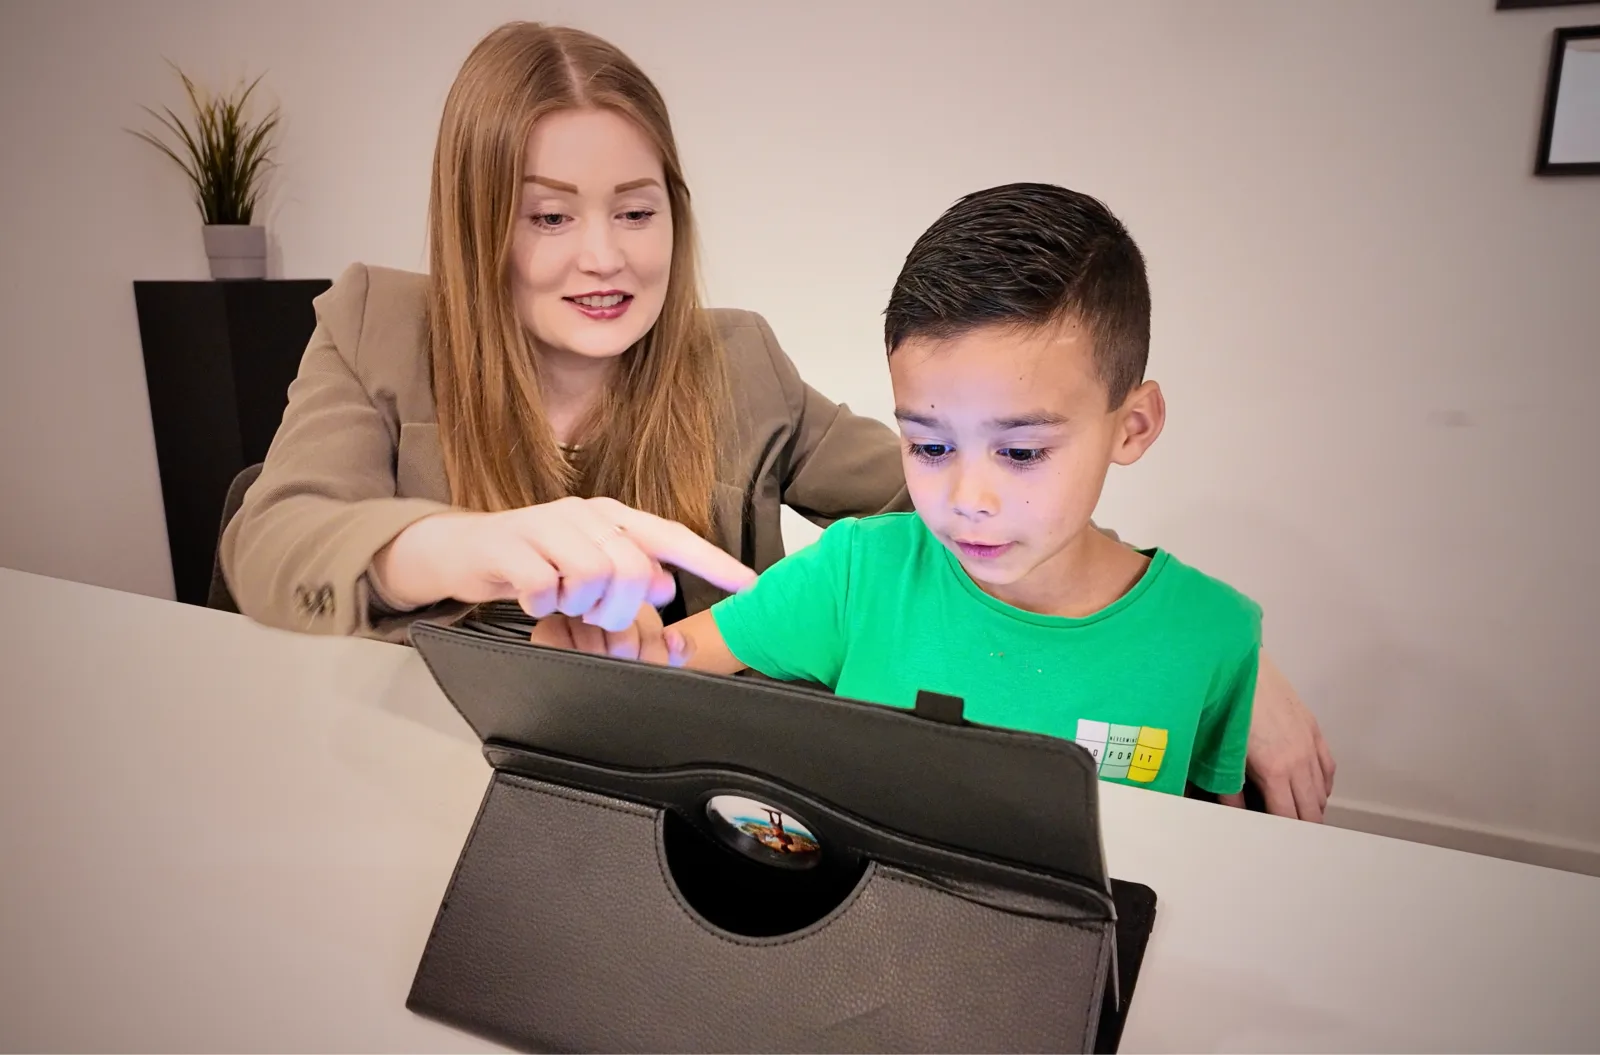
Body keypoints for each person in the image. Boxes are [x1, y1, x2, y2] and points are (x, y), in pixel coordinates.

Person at [219, 21, 1334, 818]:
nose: (603, 255)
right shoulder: (376, 319)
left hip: (660, 791)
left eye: (636, 210)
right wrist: (450, 542)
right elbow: (265, 545)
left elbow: (960, 501)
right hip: (405, 762)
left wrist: (1214, 650)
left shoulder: (736, 358)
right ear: (475, 227)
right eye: (549, 216)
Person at [535, 182, 1276, 801]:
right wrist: (600, 647)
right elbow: (663, 661)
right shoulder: (855, 573)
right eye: (929, 444)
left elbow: (1211, 843)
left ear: (1133, 426)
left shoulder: (1216, 634)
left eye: (1020, 450)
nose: (968, 495)